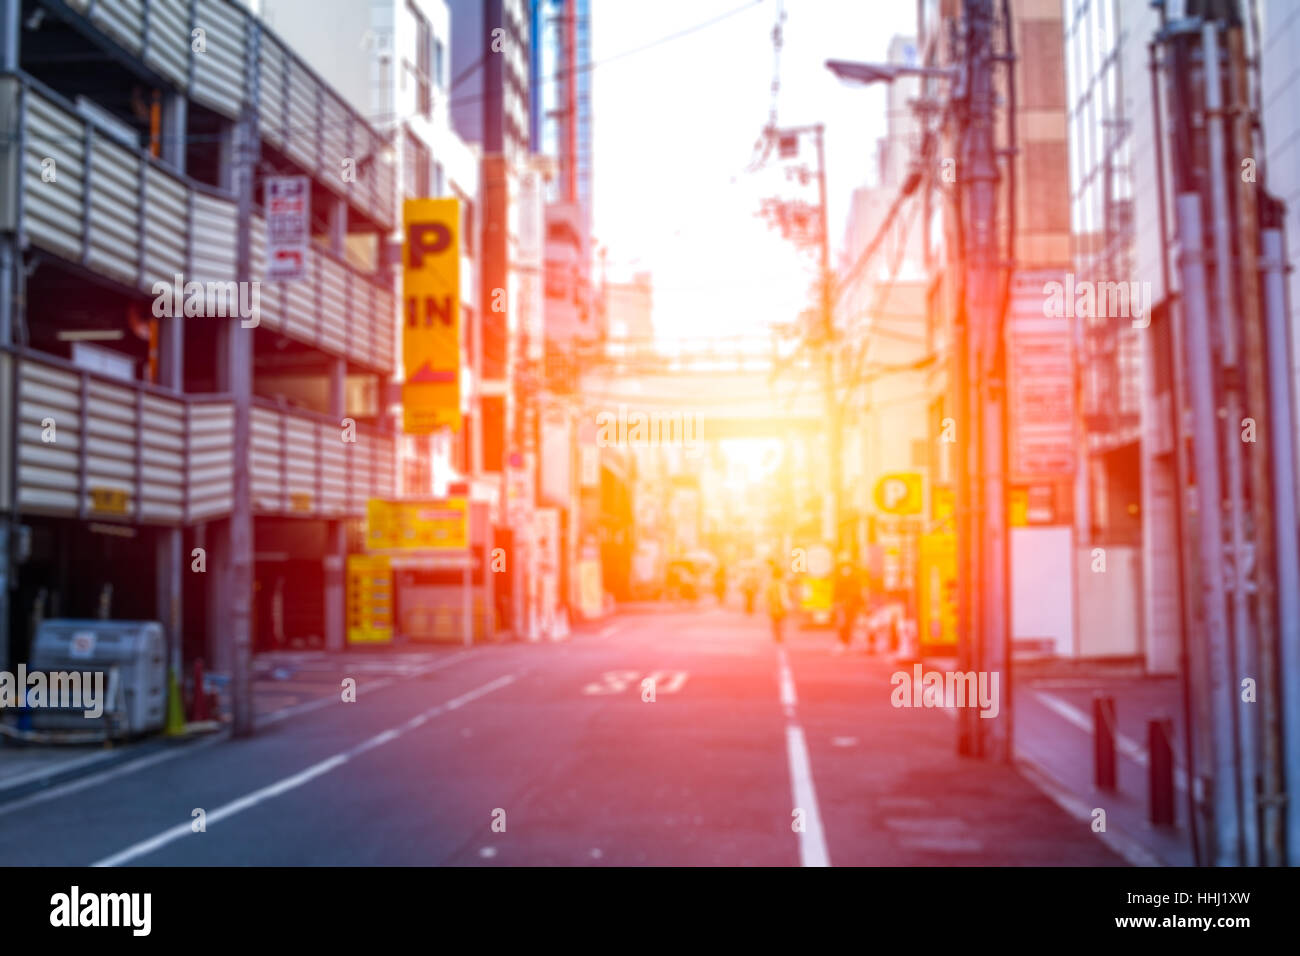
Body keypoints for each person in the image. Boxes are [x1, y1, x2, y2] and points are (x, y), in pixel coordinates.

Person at [832, 555, 863, 653]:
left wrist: (859, 605)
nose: (846, 570)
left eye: (848, 568)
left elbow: (858, 593)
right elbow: (835, 593)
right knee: (841, 624)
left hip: (851, 606)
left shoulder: (854, 580)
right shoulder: (839, 580)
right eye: (844, 568)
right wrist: (836, 603)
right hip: (842, 606)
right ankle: (842, 642)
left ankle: (846, 643)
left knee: (849, 625)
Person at [765, 561, 789, 643]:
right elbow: (785, 596)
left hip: (773, 606)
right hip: (781, 606)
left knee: (774, 621)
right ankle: (779, 635)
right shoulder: (782, 584)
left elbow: (767, 596)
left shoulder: (770, 584)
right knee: (780, 621)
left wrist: (767, 604)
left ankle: (776, 635)